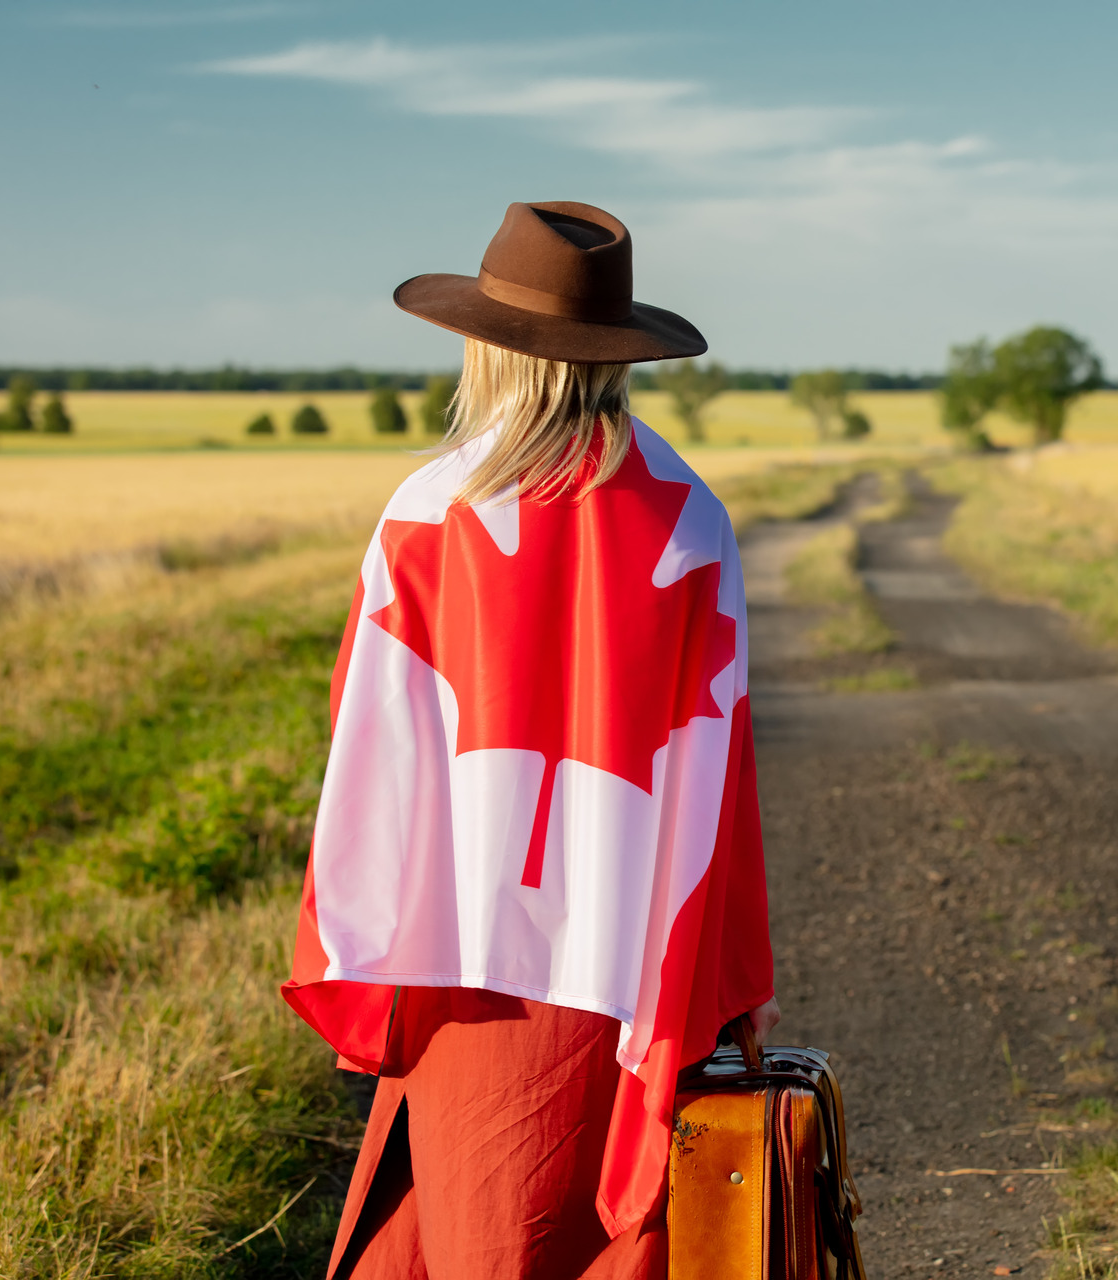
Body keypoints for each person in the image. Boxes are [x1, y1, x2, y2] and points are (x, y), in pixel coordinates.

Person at [281, 200, 779, 1280]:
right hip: (626, 960)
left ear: (488, 348)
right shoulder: (692, 519)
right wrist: (727, 973)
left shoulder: (426, 510)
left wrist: (355, 939)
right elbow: (717, 767)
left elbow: (369, 742)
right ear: (615, 351)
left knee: (473, 1223)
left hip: (458, 953)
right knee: (611, 1233)